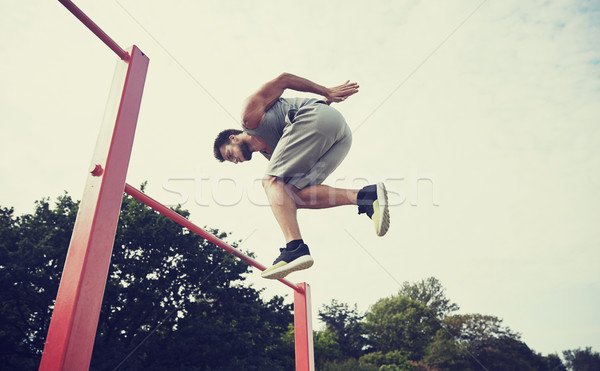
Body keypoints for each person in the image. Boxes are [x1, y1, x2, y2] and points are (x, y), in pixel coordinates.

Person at [213, 73, 390, 279]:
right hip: (339, 137)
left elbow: (284, 79)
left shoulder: (250, 117)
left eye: (230, 154)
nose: (235, 161)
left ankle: (294, 247)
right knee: (292, 194)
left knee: (270, 181)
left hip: (318, 117)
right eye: (231, 161)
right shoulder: (272, 155)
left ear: (232, 138)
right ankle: (366, 197)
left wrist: (326, 92)